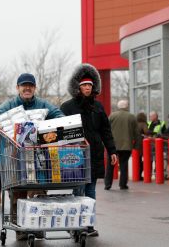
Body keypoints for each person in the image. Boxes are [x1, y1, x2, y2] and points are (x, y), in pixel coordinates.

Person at [0, 72, 64, 240]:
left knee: (38, 190)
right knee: (18, 190)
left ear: (34, 88)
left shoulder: (42, 104)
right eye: (24, 85)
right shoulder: (10, 105)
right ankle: (20, 228)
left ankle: (38, 226)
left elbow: (59, 114)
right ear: (18, 88)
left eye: (30, 86)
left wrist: (51, 126)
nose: (27, 88)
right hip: (16, 155)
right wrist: (3, 125)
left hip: (38, 155)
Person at [60, 63, 118, 237]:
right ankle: (75, 224)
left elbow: (106, 131)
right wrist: (75, 139)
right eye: (84, 85)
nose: (87, 87)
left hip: (94, 153)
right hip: (73, 154)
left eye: (89, 85)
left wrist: (112, 151)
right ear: (78, 86)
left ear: (93, 87)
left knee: (91, 190)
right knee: (77, 190)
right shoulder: (67, 107)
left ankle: (88, 224)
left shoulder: (98, 107)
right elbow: (60, 130)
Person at [105, 100, 139, 190]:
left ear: (118, 106)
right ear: (127, 106)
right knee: (124, 165)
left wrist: (105, 143)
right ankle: (123, 184)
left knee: (110, 164)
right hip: (126, 145)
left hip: (113, 145)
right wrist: (136, 145)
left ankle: (107, 184)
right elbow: (137, 132)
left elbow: (106, 130)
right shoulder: (132, 117)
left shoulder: (112, 116)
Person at [136, 112, 150, 180]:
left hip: (134, 143)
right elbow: (146, 131)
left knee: (137, 159)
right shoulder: (143, 124)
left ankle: (136, 175)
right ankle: (140, 174)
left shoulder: (135, 124)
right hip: (142, 143)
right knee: (142, 159)